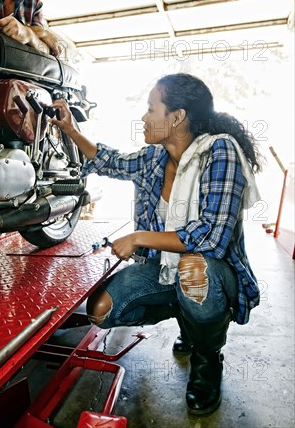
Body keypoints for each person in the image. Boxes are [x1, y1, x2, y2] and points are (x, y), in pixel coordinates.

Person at [50, 72, 262, 416]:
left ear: (177, 117)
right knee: (100, 310)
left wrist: (139, 238)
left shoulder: (219, 151)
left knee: (194, 272)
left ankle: (207, 358)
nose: (145, 117)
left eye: (151, 109)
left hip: (211, 272)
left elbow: (212, 235)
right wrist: (71, 129)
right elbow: (110, 161)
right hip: (162, 270)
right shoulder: (154, 158)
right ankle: (186, 318)